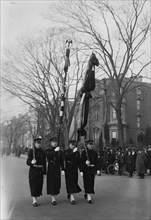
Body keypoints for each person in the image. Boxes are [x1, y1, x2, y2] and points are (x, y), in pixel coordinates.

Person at [26, 137, 46, 207]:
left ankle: (36, 198)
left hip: (40, 171)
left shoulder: (43, 152)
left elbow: (44, 163)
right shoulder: (31, 151)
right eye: (37, 143)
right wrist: (31, 162)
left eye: (40, 143)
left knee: (38, 185)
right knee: (33, 185)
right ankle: (34, 200)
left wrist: (44, 173)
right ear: (35, 143)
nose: (38, 144)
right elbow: (27, 162)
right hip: (33, 171)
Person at [80, 140, 100, 204]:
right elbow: (81, 162)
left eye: (92, 144)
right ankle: (89, 197)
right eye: (89, 144)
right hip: (86, 170)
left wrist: (98, 169)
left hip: (92, 170)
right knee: (87, 182)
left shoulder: (94, 153)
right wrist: (84, 163)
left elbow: (97, 162)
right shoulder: (84, 152)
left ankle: (87, 192)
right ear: (87, 145)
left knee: (91, 182)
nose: (91, 145)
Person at [46, 137, 65, 205]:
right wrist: (54, 151)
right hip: (51, 169)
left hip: (57, 169)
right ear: (51, 143)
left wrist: (63, 169)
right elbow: (48, 156)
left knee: (57, 184)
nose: (55, 143)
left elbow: (61, 161)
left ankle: (54, 195)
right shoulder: (48, 150)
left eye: (56, 142)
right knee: (52, 183)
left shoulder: (60, 151)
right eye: (53, 142)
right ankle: (53, 198)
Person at [64, 140, 82, 205]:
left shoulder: (77, 152)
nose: (73, 146)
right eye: (71, 144)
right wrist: (72, 152)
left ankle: (70, 193)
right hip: (68, 170)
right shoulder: (66, 151)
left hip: (75, 170)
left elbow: (79, 162)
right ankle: (72, 198)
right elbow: (66, 157)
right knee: (70, 183)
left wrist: (81, 170)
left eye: (74, 145)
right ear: (69, 145)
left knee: (74, 182)